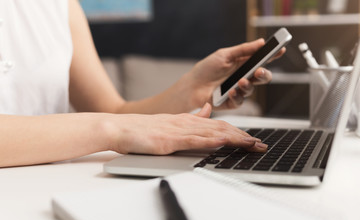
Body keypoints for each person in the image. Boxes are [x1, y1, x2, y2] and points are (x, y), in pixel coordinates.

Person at [0, 0, 284, 167]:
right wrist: (111, 130)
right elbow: (115, 123)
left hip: (48, 191)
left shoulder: (60, 6)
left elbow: (113, 109)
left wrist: (192, 89)